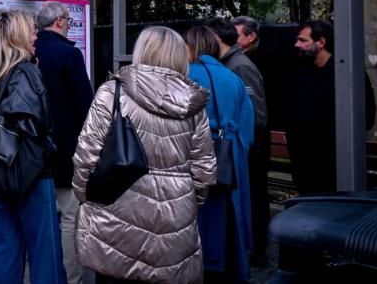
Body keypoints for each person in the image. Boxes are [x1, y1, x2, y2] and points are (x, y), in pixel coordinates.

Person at [73, 26, 215, 284]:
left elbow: (86, 156)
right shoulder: (194, 104)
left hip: (116, 213)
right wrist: (187, 203)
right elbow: (205, 171)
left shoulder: (112, 92)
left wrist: (86, 199)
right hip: (175, 217)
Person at [0, 8, 66, 283]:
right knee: (45, 254)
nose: (35, 35)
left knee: (5, 248)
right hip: (31, 175)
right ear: (18, 36)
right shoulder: (26, 72)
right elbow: (34, 127)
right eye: (31, 30)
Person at [185, 26, 254, 283]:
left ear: (191, 47)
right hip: (229, 159)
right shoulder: (232, 78)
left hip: (191, 160)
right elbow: (248, 129)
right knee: (227, 221)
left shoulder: (182, 75)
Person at [33, 1, 94, 284]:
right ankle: (71, 277)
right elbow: (86, 104)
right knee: (69, 214)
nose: (70, 23)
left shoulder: (30, 52)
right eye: (68, 20)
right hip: (65, 146)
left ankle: (43, 273)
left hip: (33, 147)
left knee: (41, 214)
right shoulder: (68, 54)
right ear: (58, 22)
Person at [285, 19, 375, 194]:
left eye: (303, 40)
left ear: (321, 42)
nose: (296, 45)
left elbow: (366, 117)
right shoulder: (300, 72)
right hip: (304, 165)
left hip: (333, 164)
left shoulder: (347, 73)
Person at [210, 17, 270, 267]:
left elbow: (255, 114)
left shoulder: (239, 66)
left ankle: (258, 250)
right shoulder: (230, 63)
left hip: (249, 150)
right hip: (243, 148)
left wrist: (245, 150)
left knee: (254, 198)